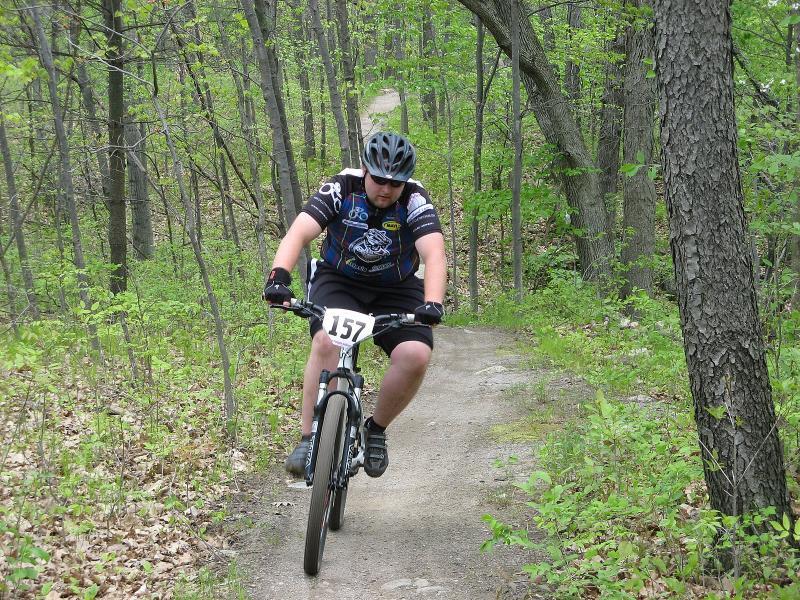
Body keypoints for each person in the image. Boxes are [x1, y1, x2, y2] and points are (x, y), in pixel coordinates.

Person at [263, 132, 447, 478]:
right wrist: (278, 277)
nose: (386, 189)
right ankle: (308, 438)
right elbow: (299, 233)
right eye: (379, 179)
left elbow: (433, 252)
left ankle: (375, 430)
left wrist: (433, 301)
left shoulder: (414, 199)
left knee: (416, 355)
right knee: (327, 341)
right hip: (340, 279)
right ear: (365, 169)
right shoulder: (341, 188)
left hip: (397, 286)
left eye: (395, 183)